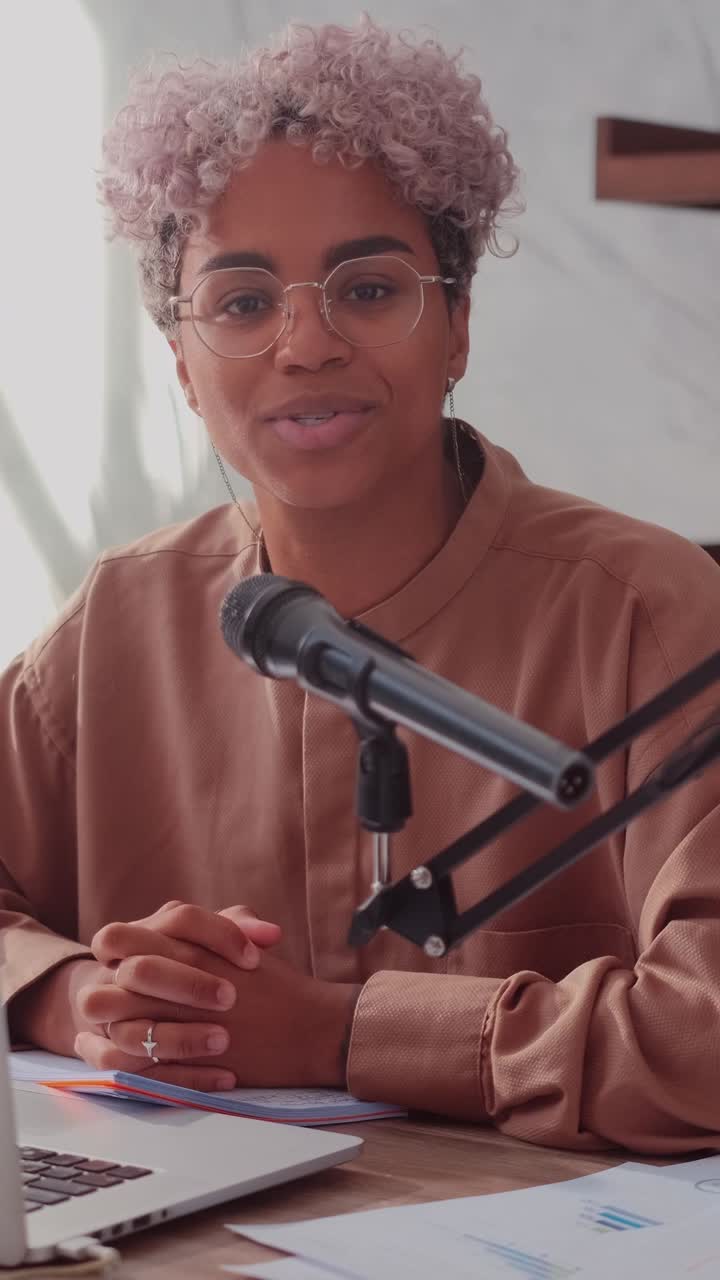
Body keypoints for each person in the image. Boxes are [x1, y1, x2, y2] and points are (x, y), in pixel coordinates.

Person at [2, 15, 719, 1155]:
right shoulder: (113, 624)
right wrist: (72, 990)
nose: (307, 344)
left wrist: (340, 1032)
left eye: (370, 289)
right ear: (182, 365)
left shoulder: (653, 613)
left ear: (459, 326)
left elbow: (709, 1042)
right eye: (241, 304)